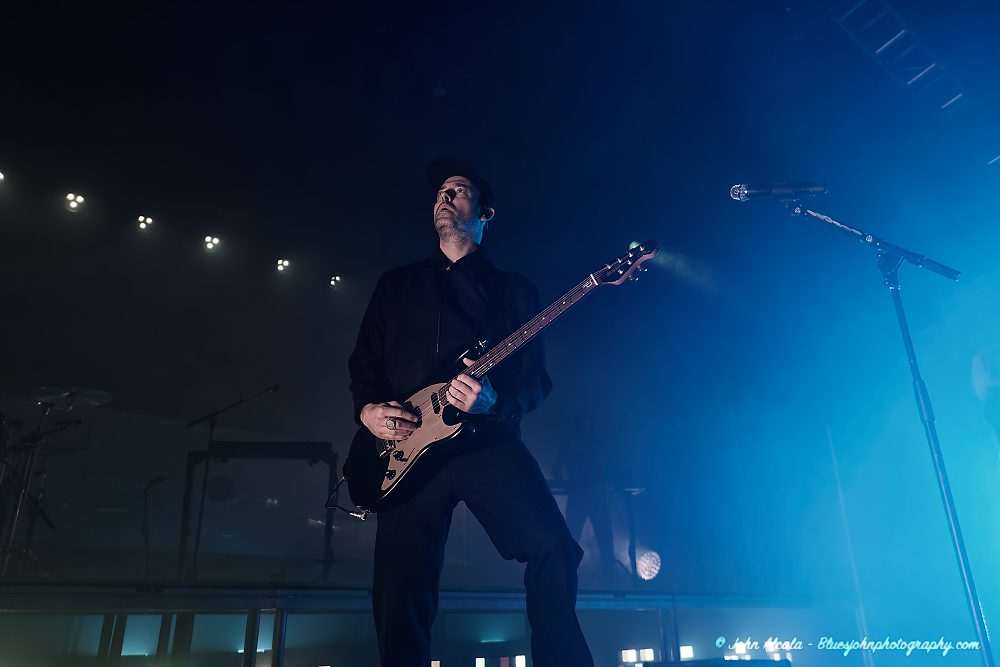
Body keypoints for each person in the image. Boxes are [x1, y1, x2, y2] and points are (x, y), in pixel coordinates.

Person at [348, 157, 594, 667]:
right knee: (398, 591)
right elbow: (364, 363)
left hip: (487, 442)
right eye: (440, 191)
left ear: (485, 213)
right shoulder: (396, 284)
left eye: (458, 191)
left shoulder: (513, 289)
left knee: (554, 547)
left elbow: (535, 380)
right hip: (407, 447)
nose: (444, 197)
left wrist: (494, 401)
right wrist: (369, 411)